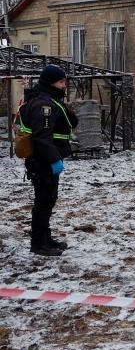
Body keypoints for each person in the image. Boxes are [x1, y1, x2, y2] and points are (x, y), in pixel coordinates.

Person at [17, 65, 79, 256]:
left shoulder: (48, 101)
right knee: (43, 201)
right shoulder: (44, 106)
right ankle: (38, 244)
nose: (63, 86)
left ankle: (46, 238)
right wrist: (54, 161)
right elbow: (42, 137)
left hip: (45, 159)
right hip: (42, 161)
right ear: (51, 82)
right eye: (61, 82)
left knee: (48, 200)